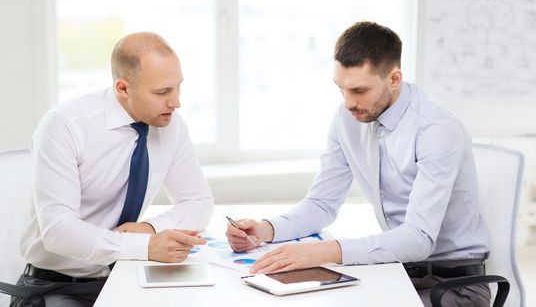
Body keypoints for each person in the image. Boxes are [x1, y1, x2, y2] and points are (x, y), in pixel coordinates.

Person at [226, 22, 491, 306]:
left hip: (454, 285)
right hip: (396, 272)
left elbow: (418, 238)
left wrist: (325, 251)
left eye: (360, 90)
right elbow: (321, 204)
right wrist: (267, 229)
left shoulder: (436, 129)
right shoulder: (348, 119)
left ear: (394, 78)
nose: (349, 103)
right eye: (342, 89)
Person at [12, 32, 214, 306]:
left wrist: (150, 228)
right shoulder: (64, 126)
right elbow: (58, 230)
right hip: (57, 285)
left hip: (125, 276)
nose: (176, 102)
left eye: (178, 87)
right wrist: (144, 247)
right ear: (123, 88)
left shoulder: (171, 126)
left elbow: (198, 201)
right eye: (162, 92)